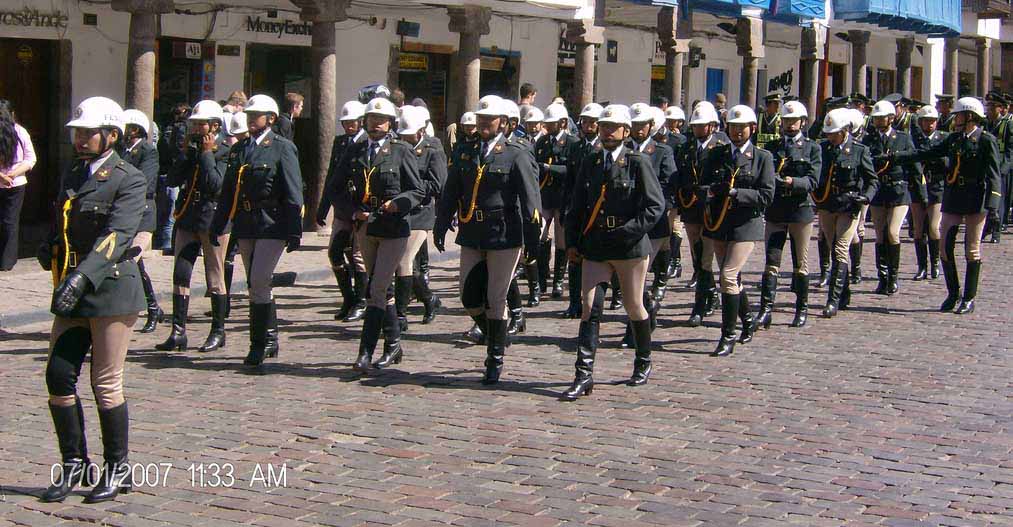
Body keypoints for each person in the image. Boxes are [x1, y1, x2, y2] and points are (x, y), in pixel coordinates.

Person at [37, 97, 145, 503]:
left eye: (88, 133)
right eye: (77, 133)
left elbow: (117, 235)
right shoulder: (74, 171)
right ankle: (74, 464)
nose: (80, 139)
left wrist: (80, 277)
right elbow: (64, 219)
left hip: (110, 291)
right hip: (73, 288)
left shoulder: (128, 178)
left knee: (105, 382)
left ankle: (118, 469)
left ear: (112, 136)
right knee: (59, 375)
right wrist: (51, 246)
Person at [435, 95, 542, 385]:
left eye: (489, 120)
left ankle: (494, 358)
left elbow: (530, 198)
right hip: (472, 232)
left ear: (503, 123)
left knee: (495, 298)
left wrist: (533, 240)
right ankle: (499, 332)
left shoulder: (517, 152)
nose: (483, 124)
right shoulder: (466, 151)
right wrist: (441, 223)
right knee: (468, 295)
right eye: (480, 119)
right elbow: (451, 189)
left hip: (504, 233)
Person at [560, 104, 664, 400]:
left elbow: (655, 206)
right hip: (595, 244)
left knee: (634, 306)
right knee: (589, 307)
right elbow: (577, 204)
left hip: (629, 247)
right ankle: (583, 374)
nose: (606, 131)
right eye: (603, 126)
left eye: (612, 127)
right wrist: (572, 242)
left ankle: (643, 360)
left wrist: (629, 231)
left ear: (625, 132)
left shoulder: (638, 162)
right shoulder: (590, 161)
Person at [331, 98, 424, 372]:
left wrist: (398, 204)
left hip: (393, 228)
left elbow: (417, 190)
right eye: (370, 119)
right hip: (365, 227)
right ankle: (394, 344)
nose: (375, 124)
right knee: (381, 289)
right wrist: (351, 211)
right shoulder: (355, 150)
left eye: (380, 120)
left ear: (391, 123)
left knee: (376, 288)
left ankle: (365, 352)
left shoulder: (401, 151)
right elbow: (335, 188)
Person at [210, 94, 304, 366]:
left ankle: (258, 344)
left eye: (256, 116)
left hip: (272, 222)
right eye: (249, 116)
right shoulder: (240, 150)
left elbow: (293, 190)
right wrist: (219, 225)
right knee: (256, 284)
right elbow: (229, 191)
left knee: (259, 279)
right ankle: (271, 338)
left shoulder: (282, 147)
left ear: (271, 119)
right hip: (247, 223)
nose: (251, 120)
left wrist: (294, 229)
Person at [890, 97, 1002, 314]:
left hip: (975, 198)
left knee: (971, 248)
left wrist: (994, 206)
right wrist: (896, 157)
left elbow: (994, 175)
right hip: (953, 196)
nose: (955, 119)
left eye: (959, 115)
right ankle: (953, 293)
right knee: (944, 246)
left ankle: (969, 298)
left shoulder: (985, 140)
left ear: (969, 116)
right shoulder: (953, 139)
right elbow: (926, 152)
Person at [697, 105, 774, 356]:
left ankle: (727, 335)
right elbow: (701, 185)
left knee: (728, 276)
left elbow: (766, 195)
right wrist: (711, 191)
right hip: (719, 223)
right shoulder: (716, 154)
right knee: (731, 278)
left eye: (743, 128)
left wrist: (735, 193)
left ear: (752, 129)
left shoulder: (762, 157)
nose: (738, 132)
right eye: (733, 127)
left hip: (745, 224)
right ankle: (748, 320)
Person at [154, 101, 231, 353]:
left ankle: (218, 331)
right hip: (188, 216)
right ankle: (178, 332)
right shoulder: (191, 149)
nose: (197, 128)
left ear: (216, 125)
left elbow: (215, 185)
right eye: (194, 124)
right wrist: (187, 153)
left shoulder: (225, 151)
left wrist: (207, 154)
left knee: (215, 276)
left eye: (201, 124)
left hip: (213, 219)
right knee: (181, 272)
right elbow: (173, 179)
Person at [755, 100, 820, 330]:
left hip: (800, 210)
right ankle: (765, 309)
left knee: (800, 263)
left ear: (802, 122)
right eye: (787, 121)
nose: (790, 125)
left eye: (794, 121)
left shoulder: (812, 148)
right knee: (771, 261)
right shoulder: (772, 148)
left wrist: (794, 182)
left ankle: (801, 309)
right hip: (776, 210)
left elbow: (813, 180)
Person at [619, 104, 676, 348]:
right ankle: (646, 309)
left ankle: (635, 330)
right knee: (628, 281)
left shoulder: (662, 151)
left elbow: (669, 186)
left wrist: (653, 208)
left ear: (651, 126)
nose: (639, 129)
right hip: (628, 222)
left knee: (638, 279)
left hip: (652, 224)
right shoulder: (623, 150)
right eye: (636, 124)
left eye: (643, 124)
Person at [812, 108, 878, 318]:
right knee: (833, 248)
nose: (830, 137)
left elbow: (871, 180)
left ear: (845, 131)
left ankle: (832, 300)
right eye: (828, 133)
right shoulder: (822, 148)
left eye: (834, 133)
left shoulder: (859, 150)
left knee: (841, 250)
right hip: (826, 204)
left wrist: (866, 197)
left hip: (849, 205)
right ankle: (845, 292)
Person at [392, 105, 446, 333]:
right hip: (399, 211)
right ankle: (429, 298)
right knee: (402, 264)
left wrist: (412, 186)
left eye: (409, 136)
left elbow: (438, 183)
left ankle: (400, 314)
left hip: (421, 213)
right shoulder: (394, 149)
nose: (405, 139)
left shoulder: (432, 151)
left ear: (421, 132)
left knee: (404, 260)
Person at [675, 101, 727, 327]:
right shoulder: (686, 148)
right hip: (691, 208)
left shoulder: (721, 147)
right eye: (695, 125)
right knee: (698, 256)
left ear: (712, 126)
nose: (697, 129)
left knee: (709, 257)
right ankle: (710, 293)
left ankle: (701, 302)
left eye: (702, 125)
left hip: (713, 210)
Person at [318, 101, 369, 322]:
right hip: (342, 207)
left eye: (353, 122)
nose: (349, 126)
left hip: (360, 207)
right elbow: (332, 177)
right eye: (346, 122)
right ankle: (347, 298)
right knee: (335, 252)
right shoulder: (340, 143)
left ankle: (361, 301)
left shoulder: (368, 143)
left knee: (358, 256)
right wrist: (323, 207)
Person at [864, 100, 921, 296]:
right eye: (876, 118)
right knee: (880, 233)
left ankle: (894, 277)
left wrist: (920, 194)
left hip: (898, 190)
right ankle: (883, 276)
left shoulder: (903, 138)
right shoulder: (868, 140)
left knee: (893, 232)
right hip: (879, 191)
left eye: (882, 118)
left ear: (891, 118)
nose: (879, 121)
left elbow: (914, 165)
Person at [118, 109, 162, 333]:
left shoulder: (148, 151)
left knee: (132, 260)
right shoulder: (119, 149)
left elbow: (144, 180)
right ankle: (153, 306)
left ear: (135, 129)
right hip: (125, 212)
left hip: (142, 213)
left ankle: (151, 307)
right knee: (133, 263)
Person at [561, 103, 604, 319]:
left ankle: (605, 298)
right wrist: (565, 208)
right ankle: (573, 302)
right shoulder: (576, 147)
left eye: (593, 122)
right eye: (586, 122)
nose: (589, 126)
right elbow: (569, 180)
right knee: (574, 256)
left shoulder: (603, 148)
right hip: (577, 209)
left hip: (596, 210)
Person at [536, 103, 580, 303]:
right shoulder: (543, 142)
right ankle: (542, 277)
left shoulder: (572, 143)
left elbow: (572, 171)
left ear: (562, 123)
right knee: (539, 236)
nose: (548, 126)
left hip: (563, 198)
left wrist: (548, 167)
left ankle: (558, 281)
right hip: (545, 197)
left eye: (552, 123)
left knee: (562, 242)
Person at [910, 105, 947, 280]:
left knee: (933, 228)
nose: (929, 124)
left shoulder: (942, 139)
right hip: (918, 187)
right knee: (918, 230)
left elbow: (948, 162)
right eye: (926, 121)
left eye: (932, 121)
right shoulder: (914, 140)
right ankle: (922, 266)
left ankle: (935, 263)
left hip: (935, 187)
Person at [0, 99, 36, 271]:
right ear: (12, 114)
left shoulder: (20, 132)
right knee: (11, 221)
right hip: (17, 182)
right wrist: (13, 174)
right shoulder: (21, 132)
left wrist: (2, 176)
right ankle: (7, 261)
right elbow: (31, 159)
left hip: (8, 181)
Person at [155, 103, 190, 251]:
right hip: (171, 174)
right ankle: (167, 244)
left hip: (171, 174)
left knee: (170, 214)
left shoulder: (174, 129)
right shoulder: (174, 129)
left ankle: (168, 244)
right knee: (170, 213)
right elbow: (174, 152)